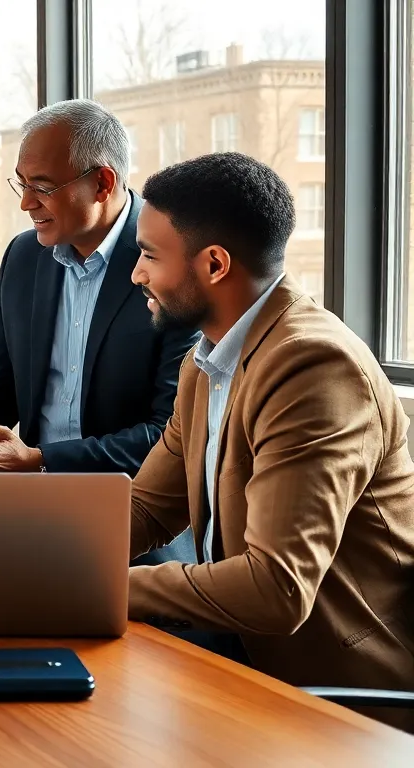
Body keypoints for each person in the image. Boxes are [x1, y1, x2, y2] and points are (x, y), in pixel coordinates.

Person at [127, 152, 414, 725]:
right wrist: (23, 557)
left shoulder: (312, 366)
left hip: (343, 700)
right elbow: (145, 511)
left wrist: (91, 586)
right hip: (243, 664)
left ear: (213, 264)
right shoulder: (206, 362)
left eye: (150, 255)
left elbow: (275, 588)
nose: (137, 273)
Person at [0, 99, 199, 564]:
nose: (25, 202)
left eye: (42, 187)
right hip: (27, 517)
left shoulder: (165, 262)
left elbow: (167, 435)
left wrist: (41, 460)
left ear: (102, 182)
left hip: (137, 532)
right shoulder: (23, 258)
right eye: (22, 183)